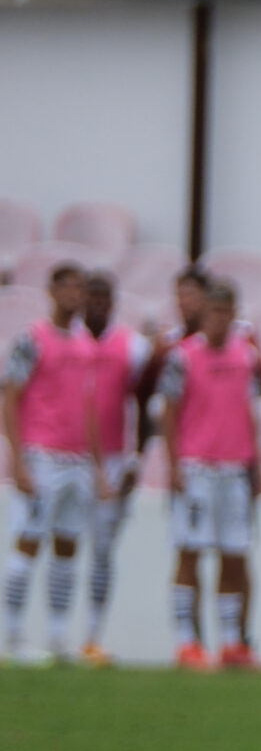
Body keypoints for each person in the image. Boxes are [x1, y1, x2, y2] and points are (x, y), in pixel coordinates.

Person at [2, 265, 109, 662]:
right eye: (67, 287)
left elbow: (89, 407)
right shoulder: (32, 339)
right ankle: (12, 636)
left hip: (78, 459)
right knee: (29, 541)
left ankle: (58, 637)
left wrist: (98, 467)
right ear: (52, 291)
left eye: (80, 288)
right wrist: (17, 460)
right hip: (43, 455)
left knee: (67, 545)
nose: (74, 295)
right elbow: (10, 398)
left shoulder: (85, 344)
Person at [158, 283, 261, 671]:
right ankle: (187, 642)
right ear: (204, 316)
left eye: (226, 313)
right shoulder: (182, 357)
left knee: (234, 553)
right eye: (214, 313)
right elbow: (168, 412)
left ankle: (232, 642)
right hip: (197, 468)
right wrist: (173, 465)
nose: (220, 320)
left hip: (234, 469)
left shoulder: (246, 356)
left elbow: (251, 411)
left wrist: (257, 464)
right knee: (190, 549)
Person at [78, 271, 153, 667]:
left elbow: (143, 405)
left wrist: (136, 458)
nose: (97, 303)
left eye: (104, 296)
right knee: (63, 545)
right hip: (68, 455)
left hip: (112, 456)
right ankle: (55, 631)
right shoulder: (64, 341)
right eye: (91, 295)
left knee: (103, 550)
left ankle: (92, 635)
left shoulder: (132, 347)